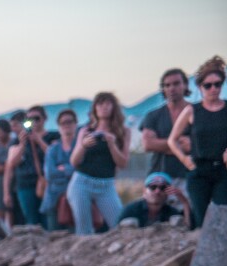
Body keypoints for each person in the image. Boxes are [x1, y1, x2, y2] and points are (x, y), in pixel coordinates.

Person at [169, 56, 227, 230]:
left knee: (221, 215)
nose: (213, 89)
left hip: (223, 171)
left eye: (217, 84)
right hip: (199, 170)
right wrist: (185, 159)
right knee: (201, 220)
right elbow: (172, 140)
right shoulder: (191, 111)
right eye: (208, 85)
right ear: (199, 86)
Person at [68, 92, 129, 235]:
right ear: (95, 108)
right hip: (81, 183)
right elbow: (73, 161)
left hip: (106, 185)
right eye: (100, 104)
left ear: (114, 107)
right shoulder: (85, 130)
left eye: (108, 103)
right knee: (84, 231)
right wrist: (83, 145)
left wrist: (112, 144)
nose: (104, 107)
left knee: (120, 226)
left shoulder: (123, 132)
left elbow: (123, 163)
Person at [141, 68, 193, 191]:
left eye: (176, 83)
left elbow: (203, 143)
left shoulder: (197, 112)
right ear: (163, 89)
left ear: (185, 85)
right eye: (167, 85)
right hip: (158, 179)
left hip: (190, 176)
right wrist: (177, 144)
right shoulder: (153, 115)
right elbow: (148, 144)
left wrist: (162, 145)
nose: (171, 88)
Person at [3, 108, 50, 226]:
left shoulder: (52, 136)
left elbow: (53, 155)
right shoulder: (16, 141)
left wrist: (39, 140)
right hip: (25, 185)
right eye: (30, 119)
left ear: (44, 119)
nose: (33, 122)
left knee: (48, 219)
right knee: (31, 221)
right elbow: (12, 164)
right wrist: (22, 144)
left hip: (48, 183)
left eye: (37, 118)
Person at [41, 109, 79, 231]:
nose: (67, 125)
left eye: (70, 121)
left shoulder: (81, 147)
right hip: (54, 199)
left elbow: (84, 171)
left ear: (75, 124)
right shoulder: (52, 149)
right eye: (63, 123)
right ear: (59, 126)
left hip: (78, 197)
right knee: (54, 237)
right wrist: (71, 170)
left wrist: (64, 169)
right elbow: (50, 174)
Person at [120, 172, 188, 228]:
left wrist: (185, 203)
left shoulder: (171, 212)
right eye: (153, 187)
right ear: (144, 191)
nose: (157, 191)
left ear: (169, 193)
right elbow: (116, 233)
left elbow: (186, 231)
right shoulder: (131, 210)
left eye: (163, 188)